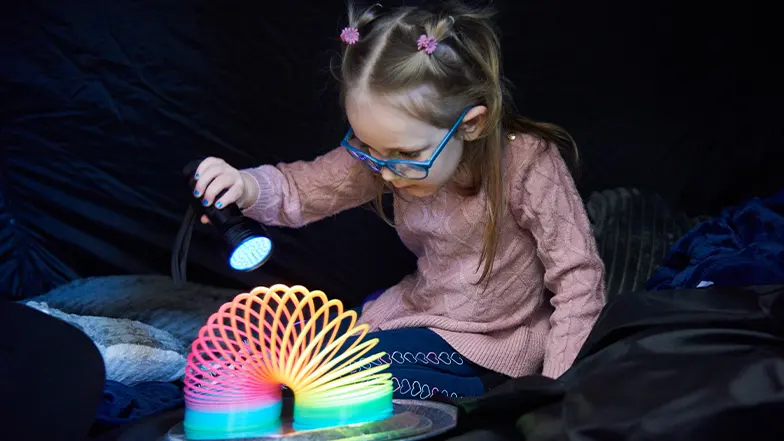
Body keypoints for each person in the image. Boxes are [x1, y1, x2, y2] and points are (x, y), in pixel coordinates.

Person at [192, 2, 605, 400]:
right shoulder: (384, 154)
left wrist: (557, 389)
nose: (386, 171)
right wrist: (245, 187)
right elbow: (303, 189)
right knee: (296, 360)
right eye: (370, 148)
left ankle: (484, 395)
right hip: (419, 314)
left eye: (407, 155)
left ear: (472, 124)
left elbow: (578, 280)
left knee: (356, 380)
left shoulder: (527, 163)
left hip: (497, 339)